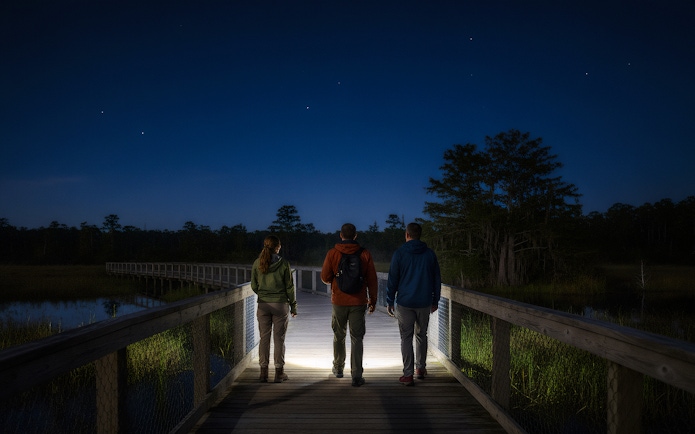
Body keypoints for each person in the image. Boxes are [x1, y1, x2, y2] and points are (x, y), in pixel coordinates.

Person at [321, 223, 378, 387]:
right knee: (357, 338)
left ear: (341, 235)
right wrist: (372, 300)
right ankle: (357, 375)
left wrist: (335, 280)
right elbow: (372, 280)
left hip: (339, 301)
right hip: (359, 301)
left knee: (339, 335)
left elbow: (325, 277)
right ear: (355, 236)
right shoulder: (365, 254)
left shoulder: (333, 253)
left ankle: (338, 369)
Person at [386, 222, 441, 386]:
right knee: (421, 335)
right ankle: (421, 369)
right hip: (424, 302)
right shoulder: (430, 254)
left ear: (407, 235)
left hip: (405, 302)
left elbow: (392, 279)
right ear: (419, 235)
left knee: (406, 337)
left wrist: (390, 300)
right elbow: (436, 279)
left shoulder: (400, 253)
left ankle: (408, 374)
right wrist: (435, 300)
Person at [251, 235, 298, 383]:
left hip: (263, 305)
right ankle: (279, 373)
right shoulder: (284, 264)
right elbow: (290, 287)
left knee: (264, 338)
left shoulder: (257, 263)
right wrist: (293, 305)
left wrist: (264, 294)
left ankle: (263, 373)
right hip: (280, 305)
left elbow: (253, 285)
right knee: (279, 339)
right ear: (277, 247)